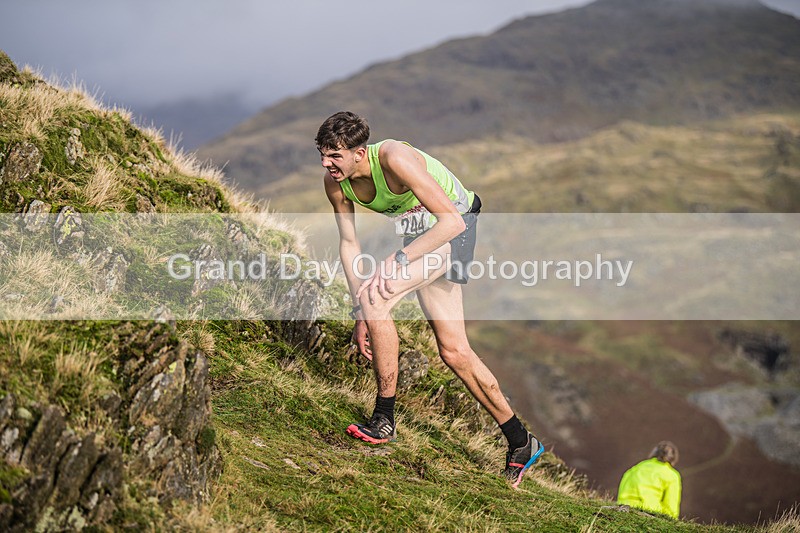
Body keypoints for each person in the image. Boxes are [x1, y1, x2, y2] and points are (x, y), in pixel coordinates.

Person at [315, 111, 544, 487]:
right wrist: (360, 313)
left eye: (335, 155)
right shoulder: (335, 183)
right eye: (323, 154)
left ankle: (383, 419)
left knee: (379, 296)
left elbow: (451, 222)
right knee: (453, 351)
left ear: (360, 153)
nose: (327, 163)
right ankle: (521, 441)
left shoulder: (393, 158)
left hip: (456, 226)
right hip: (422, 237)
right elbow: (349, 243)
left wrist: (396, 260)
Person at [617, 441, 682, 518]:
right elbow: (671, 508)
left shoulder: (636, 468)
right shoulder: (672, 475)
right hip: (649, 512)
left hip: (622, 508)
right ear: (673, 458)